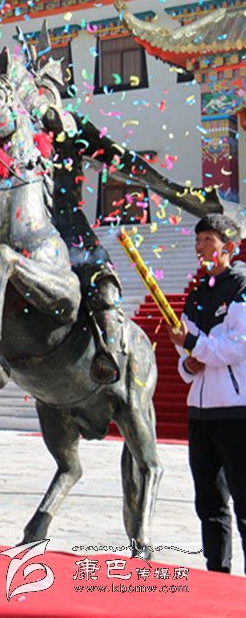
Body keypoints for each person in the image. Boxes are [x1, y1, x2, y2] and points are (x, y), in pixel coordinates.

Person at [168, 213, 246, 574]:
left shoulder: (241, 286)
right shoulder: (197, 294)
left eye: (207, 240)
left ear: (228, 246)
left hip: (236, 411)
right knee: (208, 503)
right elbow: (186, 354)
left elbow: (237, 347)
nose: (200, 248)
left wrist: (195, 346)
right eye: (197, 241)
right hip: (200, 413)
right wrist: (188, 361)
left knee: (244, 501)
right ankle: (218, 573)